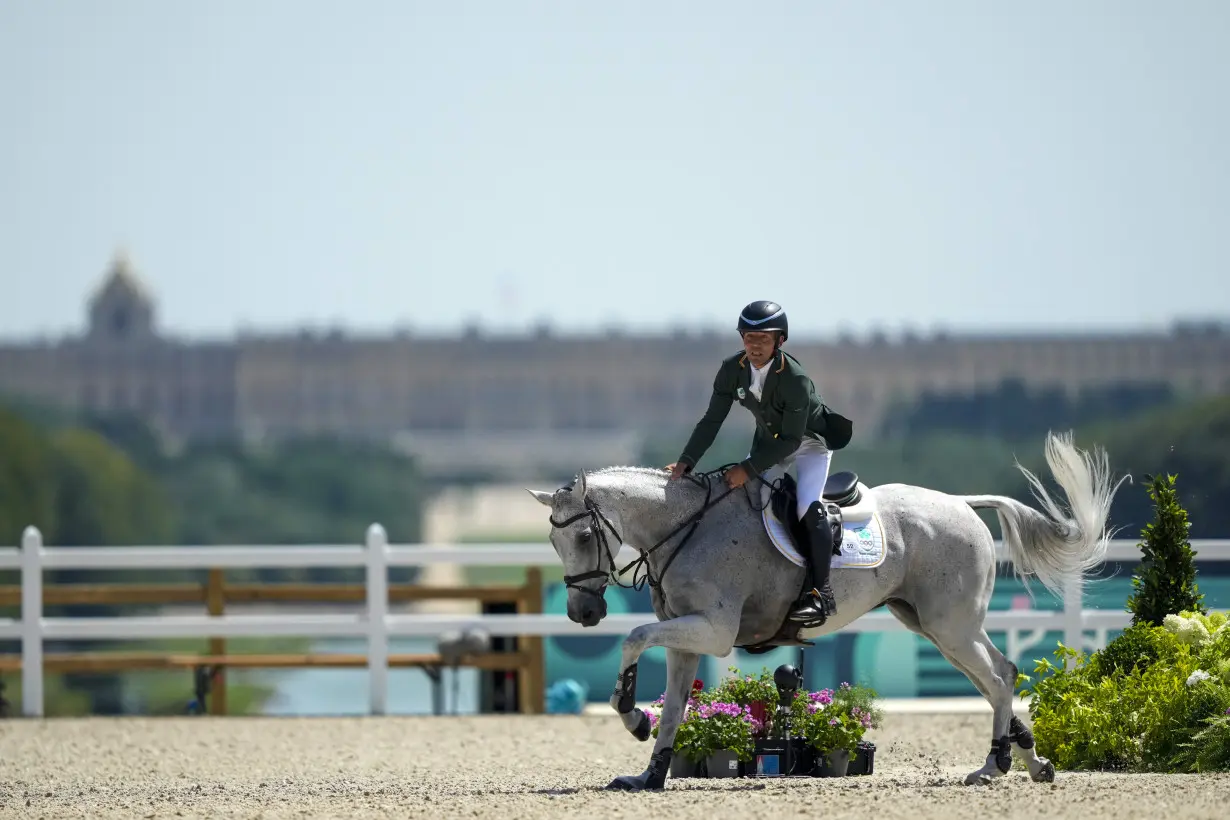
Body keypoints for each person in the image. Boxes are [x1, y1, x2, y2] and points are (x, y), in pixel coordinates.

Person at [665, 300, 852, 626]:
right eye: (748, 337)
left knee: (807, 507)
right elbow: (711, 420)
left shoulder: (795, 379)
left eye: (763, 339)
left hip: (807, 444)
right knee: (735, 499)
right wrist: (686, 462)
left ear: (780, 340)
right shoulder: (731, 369)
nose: (754, 345)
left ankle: (821, 594)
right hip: (768, 445)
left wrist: (748, 469)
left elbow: (793, 441)